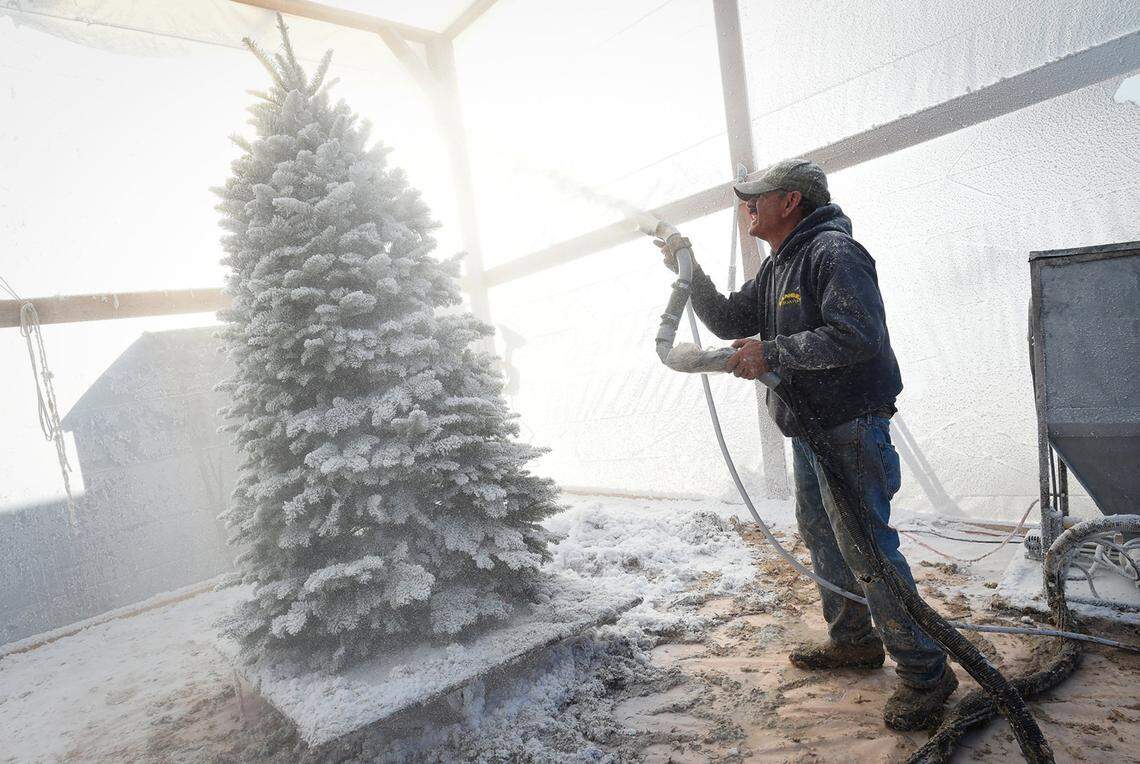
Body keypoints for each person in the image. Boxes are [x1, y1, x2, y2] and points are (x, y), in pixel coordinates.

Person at [658, 158, 957, 731]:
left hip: (849, 427)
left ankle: (926, 674)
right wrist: (688, 270)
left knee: (866, 549)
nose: (748, 207)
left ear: (791, 201)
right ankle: (854, 641)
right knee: (823, 534)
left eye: (757, 197)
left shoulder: (833, 254)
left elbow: (857, 336)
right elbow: (728, 319)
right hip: (811, 429)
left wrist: (772, 352)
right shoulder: (780, 266)